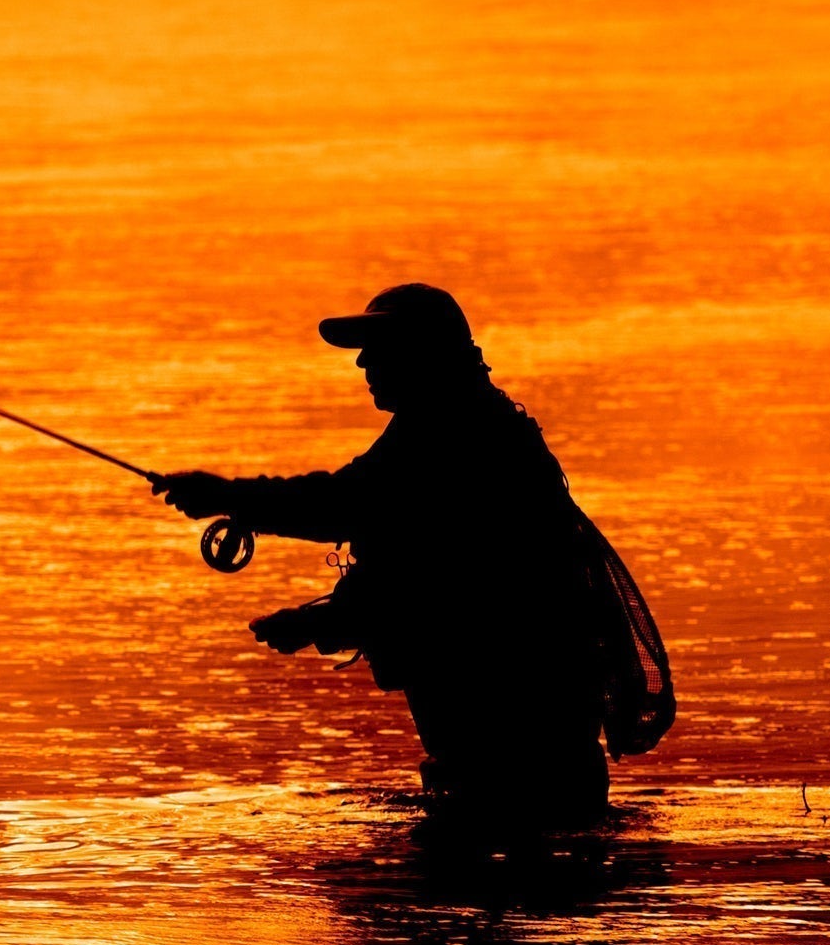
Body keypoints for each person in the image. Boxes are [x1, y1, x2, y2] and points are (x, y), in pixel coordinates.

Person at [154, 284, 674, 832]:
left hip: (513, 756)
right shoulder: (451, 424)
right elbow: (428, 572)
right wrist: (319, 618)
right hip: (517, 754)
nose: (362, 362)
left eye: (379, 347)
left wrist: (227, 497)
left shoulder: (460, 434)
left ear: (426, 354)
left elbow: (362, 517)